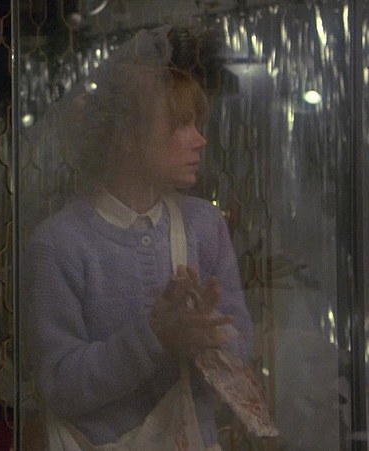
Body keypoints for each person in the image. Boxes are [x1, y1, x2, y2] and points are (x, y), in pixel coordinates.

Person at [22, 27, 253, 450]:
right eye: (181, 125)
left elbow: (242, 350)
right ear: (128, 136)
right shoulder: (58, 244)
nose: (200, 140)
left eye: (198, 124)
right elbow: (58, 384)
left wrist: (210, 338)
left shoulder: (205, 226)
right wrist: (154, 337)